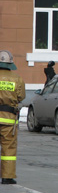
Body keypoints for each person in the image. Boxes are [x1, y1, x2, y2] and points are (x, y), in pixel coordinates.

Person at [0, 50, 25, 184]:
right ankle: (7, 177)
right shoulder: (17, 79)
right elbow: (21, 96)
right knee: (8, 148)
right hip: (8, 118)